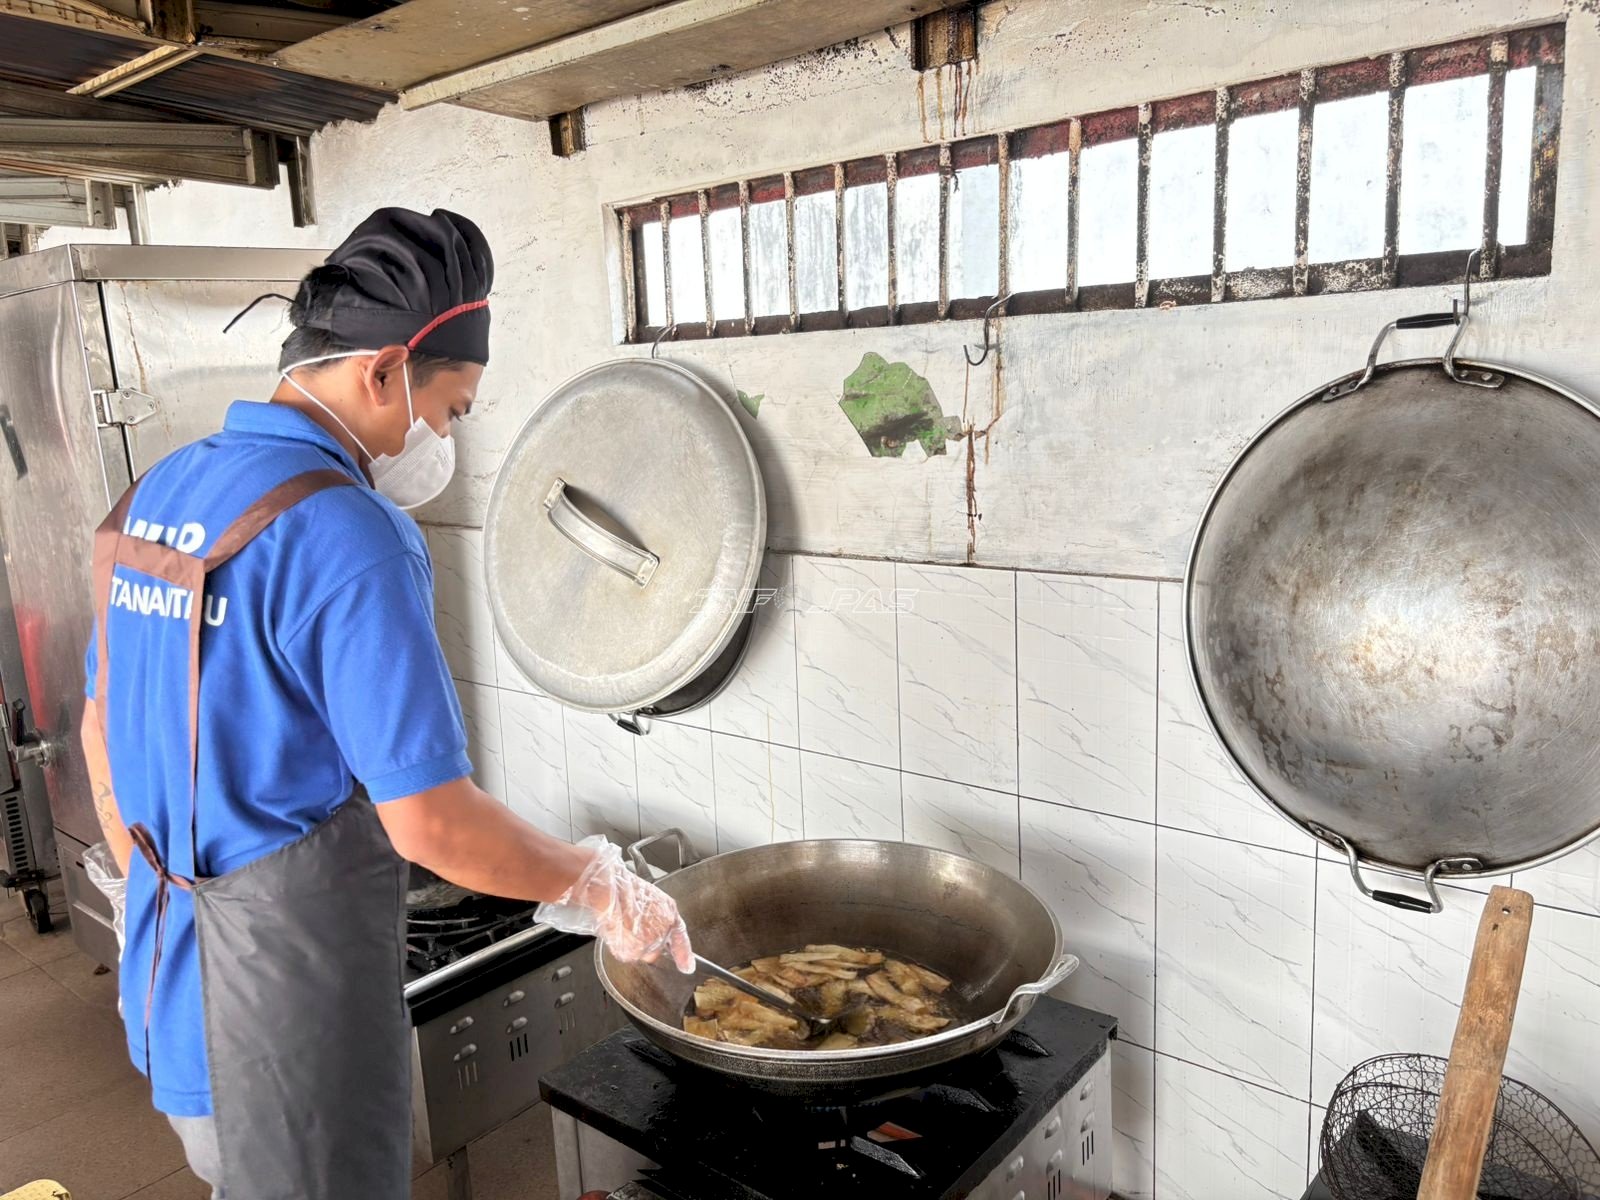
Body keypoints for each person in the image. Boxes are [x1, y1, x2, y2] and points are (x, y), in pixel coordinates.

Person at [77, 207, 694, 1200]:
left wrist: (179, 894)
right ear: (383, 370)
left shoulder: (160, 492)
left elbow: (100, 734)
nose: (441, 436)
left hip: (172, 992)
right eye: (450, 408)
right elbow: (434, 826)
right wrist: (598, 888)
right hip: (287, 1031)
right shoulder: (349, 531)